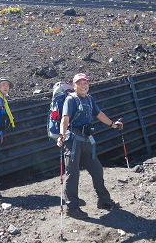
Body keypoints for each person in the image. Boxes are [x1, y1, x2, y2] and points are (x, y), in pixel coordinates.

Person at [57, 73, 123, 219]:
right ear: (74, 86)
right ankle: (72, 208)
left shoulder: (90, 99)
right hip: (73, 141)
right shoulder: (70, 100)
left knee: (97, 169)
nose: (83, 85)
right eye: (79, 83)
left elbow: (99, 115)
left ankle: (104, 200)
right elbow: (65, 119)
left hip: (86, 140)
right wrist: (61, 135)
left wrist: (113, 124)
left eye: (85, 82)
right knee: (72, 175)